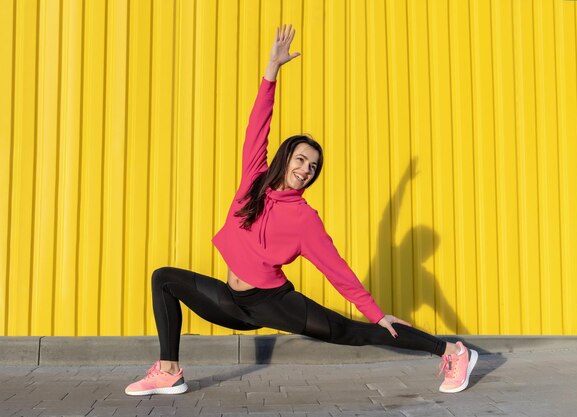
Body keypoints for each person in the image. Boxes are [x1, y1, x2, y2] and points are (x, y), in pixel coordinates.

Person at [125, 24, 477, 397]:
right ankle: (169, 371)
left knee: (353, 332)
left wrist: (375, 311)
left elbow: (335, 268)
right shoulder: (253, 180)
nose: (306, 170)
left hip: (275, 303)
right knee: (163, 278)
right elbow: (257, 126)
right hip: (232, 303)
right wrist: (271, 71)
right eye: (301, 159)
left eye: (313, 167)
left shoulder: (304, 218)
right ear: (286, 157)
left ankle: (452, 352)